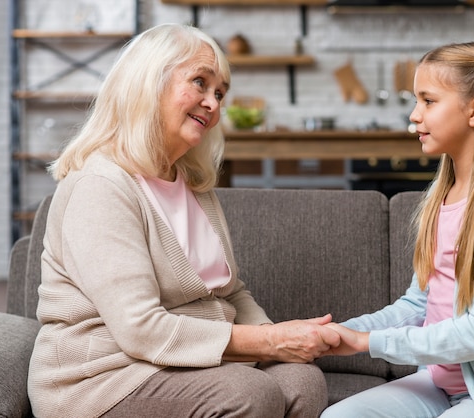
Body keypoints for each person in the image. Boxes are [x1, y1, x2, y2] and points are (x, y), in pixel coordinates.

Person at [27, 23, 339, 418]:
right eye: (199, 82)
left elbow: (230, 293)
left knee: (301, 381)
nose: (213, 103)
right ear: (148, 83)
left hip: (183, 365)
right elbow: (140, 328)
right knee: (247, 392)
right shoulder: (101, 184)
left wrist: (282, 341)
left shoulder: (193, 183)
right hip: (104, 378)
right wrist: (271, 342)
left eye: (220, 93)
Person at [320, 42, 474, 418]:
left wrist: (368, 342)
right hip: (436, 382)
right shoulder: (442, 193)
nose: (414, 116)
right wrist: (339, 332)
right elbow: (419, 304)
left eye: (428, 101)